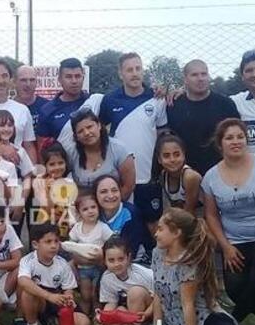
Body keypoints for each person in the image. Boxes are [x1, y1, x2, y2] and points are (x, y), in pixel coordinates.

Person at [100, 53, 168, 223]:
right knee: (123, 226)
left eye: (138, 68)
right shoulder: (109, 100)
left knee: (153, 226)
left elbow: (163, 135)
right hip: (120, 179)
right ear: (120, 73)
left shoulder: (157, 97)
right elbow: (100, 134)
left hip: (149, 177)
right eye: (129, 70)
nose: (135, 73)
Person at [202, 119, 255, 322]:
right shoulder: (210, 177)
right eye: (229, 138)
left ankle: (234, 319)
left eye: (240, 137)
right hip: (235, 241)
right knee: (234, 289)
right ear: (220, 143)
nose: (236, 141)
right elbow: (211, 215)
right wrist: (225, 246)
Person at [17, 223, 91, 325]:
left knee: (84, 324)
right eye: (48, 242)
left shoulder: (62, 264)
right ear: (35, 244)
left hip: (58, 301)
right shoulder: (28, 260)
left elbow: (68, 289)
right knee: (28, 292)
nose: (53, 246)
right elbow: (23, 281)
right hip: (41, 301)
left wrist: (68, 299)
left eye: (56, 241)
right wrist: (49, 296)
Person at [166, 59, 240, 176]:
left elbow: (238, 139)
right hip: (185, 173)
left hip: (222, 171)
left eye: (204, 74)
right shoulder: (173, 106)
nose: (200, 78)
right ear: (185, 79)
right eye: (194, 75)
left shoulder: (225, 104)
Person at [96, 237, 153, 325]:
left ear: (129, 258)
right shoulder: (107, 278)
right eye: (111, 260)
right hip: (130, 313)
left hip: (151, 310)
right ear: (105, 261)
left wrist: (146, 314)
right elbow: (111, 303)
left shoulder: (145, 274)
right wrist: (104, 315)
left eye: (121, 259)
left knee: (135, 292)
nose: (117, 264)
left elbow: (160, 298)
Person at [67, 109, 136, 201]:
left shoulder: (119, 149)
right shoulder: (71, 152)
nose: (87, 133)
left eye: (90, 127)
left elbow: (128, 186)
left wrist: (111, 208)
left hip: (117, 205)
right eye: (80, 131)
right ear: (76, 136)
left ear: (99, 125)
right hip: (85, 209)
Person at [37, 58, 103, 151]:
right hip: (63, 164)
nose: (74, 81)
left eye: (77, 76)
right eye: (68, 77)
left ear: (83, 78)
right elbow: (42, 147)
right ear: (60, 79)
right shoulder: (47, 110)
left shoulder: (95, 102)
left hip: (94, 163)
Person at [67, 191, 114, 316]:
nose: (90, 211)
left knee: (96, 294)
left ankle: (97, 318)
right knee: (85, 295)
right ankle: (84, 316)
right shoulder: (77, 228)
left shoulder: (102, 227)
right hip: (83, 269)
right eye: (85, 209)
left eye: (93, 207)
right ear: (79, 213)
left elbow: (112, 243)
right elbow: (71, 245)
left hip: (99, 267)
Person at [94, 175, 151, 264]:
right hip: (102, 262)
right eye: (103, 192)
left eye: (114, 190)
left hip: (132, 263)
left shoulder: (131, 214)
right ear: (95, 195)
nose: (110, 195)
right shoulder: (93, 213)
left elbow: (130, 251)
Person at [30, 142, 77, 240]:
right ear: (45, 166)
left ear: (65, 163)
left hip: (64, 224)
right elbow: (47, 207)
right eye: (52, 164)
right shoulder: (40, 181)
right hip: (45, 224)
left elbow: (70, 207)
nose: (57, 167)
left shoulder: (69, 182)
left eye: (60, 163)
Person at [151, 133, 201, 215]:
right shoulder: (163, 175)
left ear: (184, 155)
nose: (172, 159)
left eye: (177, 155)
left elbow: (189, 211)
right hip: (179, 219)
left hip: (198, 221)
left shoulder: (190, 177)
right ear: (159, 159)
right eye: (166, 156)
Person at [230, 50, 255, 155]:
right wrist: (184, 93)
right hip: (246, 169)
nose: (254, 74)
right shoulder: (234, 102)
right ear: (242, 76)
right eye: (249, 70)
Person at [13, 65, 49, 135]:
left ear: (36, 82)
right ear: (14, 82)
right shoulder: (7, 107)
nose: (28, 84)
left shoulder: (47, 107)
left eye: (32, 80)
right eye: (23, 80)